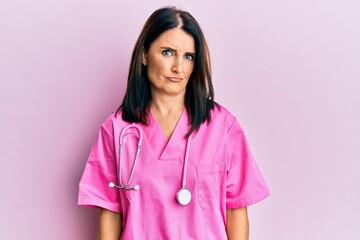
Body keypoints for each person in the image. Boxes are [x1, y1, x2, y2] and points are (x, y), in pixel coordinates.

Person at [78, 6, 270, 240]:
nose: (178, 67)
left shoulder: (222, 126)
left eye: (188, 56)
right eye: (168, 52)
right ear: (144, 55)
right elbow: (110, 214)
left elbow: (236, 209)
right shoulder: (116, 131)